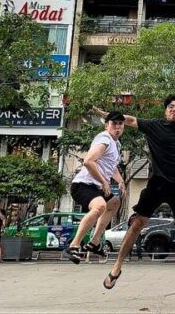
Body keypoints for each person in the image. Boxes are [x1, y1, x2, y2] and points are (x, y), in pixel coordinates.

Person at [99, 95, 175, 290]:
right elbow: (129, 120)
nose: (173, 109)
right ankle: (116, 267)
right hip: (157, 183)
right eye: (170, 106)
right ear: (165, 111)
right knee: (138, 222)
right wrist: (111, 116)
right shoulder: (154, 125)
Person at [64, 111, 126, 264]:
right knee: (100, 206)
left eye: (120, 124)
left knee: (114, 203)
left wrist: (120, 181)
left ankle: (95, 241)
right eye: (114, 124)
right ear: (107, 126)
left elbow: (112, 167)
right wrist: (105, 182)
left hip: (96, 186)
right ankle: (73, 245)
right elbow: (88, 161)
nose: (117, 127)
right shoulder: (104, 139)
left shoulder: (116, 144)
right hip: (83, 185)